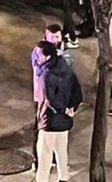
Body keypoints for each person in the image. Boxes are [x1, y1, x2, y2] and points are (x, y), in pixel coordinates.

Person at [36, 41, 83, 182]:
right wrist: (72, 108)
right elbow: (77, 91)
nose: (36, 57)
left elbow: (50, 100)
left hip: (50, 121)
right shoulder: (65, 67)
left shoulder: (47, 74)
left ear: (47, 56)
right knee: (61, 152)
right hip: (65, 121)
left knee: (44, 156)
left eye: (38, 54)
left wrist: (60, 110)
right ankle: (63, 178)